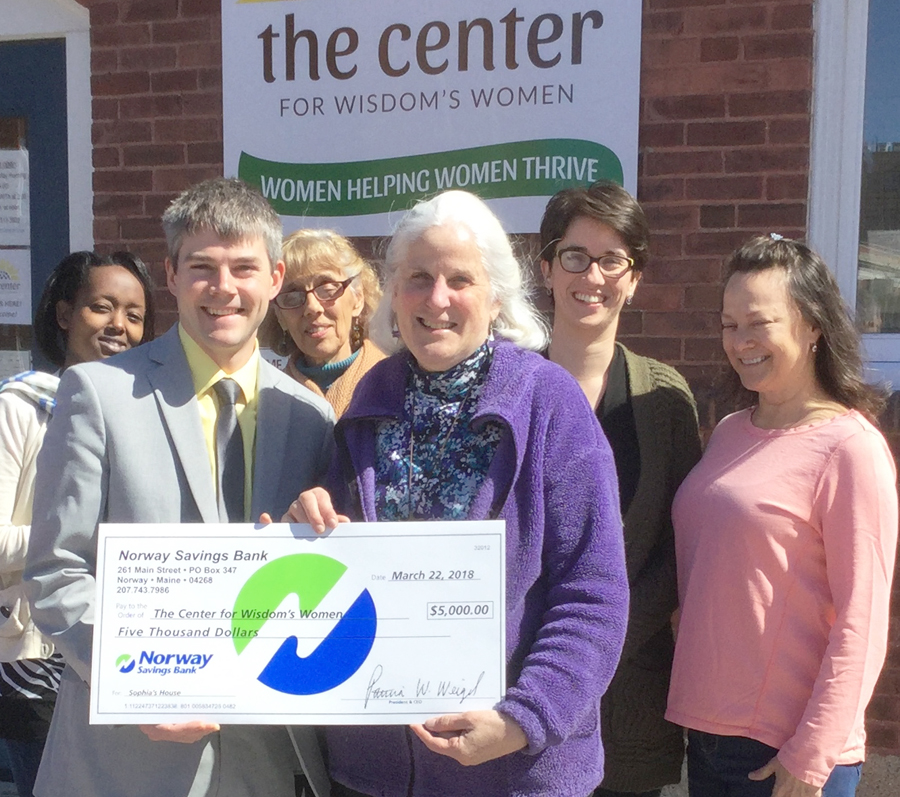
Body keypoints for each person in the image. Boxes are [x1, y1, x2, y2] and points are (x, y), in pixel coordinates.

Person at [284, 190, 630, 797]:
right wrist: (305, 525)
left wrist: (524, 720)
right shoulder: (370, 399)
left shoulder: (549, 403)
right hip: (377, 774)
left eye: (460, 280)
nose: (437, 298)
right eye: (418, 278)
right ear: (395, 293)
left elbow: (592, 594)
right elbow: (337, 570)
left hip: (512, 770)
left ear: (496, 297)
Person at [23, 178, 336, 797]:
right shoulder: (99, 394)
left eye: (243, 268)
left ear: (275, 278)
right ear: (170, 273)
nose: (223, 288)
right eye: (201, 267)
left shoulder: (310, 416)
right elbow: (56, 571)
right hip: (125, 763)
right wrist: (136, 684)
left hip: (265, 761)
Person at [666, 235, 899, 797]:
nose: (740, 341)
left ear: (812, 324)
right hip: (710, 732)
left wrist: (811, 754)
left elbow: (863, 619)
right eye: (729, 325)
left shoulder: (850, 448)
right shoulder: (729, 432)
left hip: (787, 747)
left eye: (759, 323)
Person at [539, 181, 701, 797]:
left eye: (613, 260)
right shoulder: (505, 389)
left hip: (629, 702)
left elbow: (680, 546)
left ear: (634, 279)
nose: (593, 276)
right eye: (575, 256)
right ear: (547, 268)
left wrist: (598, 643)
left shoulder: (664, 398)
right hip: (521, 694)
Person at [1, 250, 154, 797]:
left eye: (134, 315)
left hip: (123, 649)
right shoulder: (20, 407)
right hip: (36, 661)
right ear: (65, 314)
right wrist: (84, 540)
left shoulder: (143, 417)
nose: (119, 326)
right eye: (102, 307)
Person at [261, 229, 384, 416]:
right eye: (293, 296)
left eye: (327, 289)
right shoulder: (266, 404)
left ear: (358, 299)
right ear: (280, 317)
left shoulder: (396, 386)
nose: (312, 307)